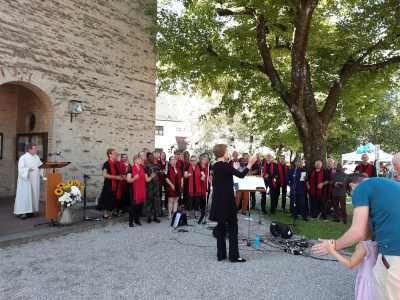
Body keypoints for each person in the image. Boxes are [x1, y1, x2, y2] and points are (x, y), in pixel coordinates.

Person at [312, 173, 400, 299]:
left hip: (395, 252)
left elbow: (358, 231)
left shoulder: (361, 188)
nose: (353, 197)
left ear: (352, 186)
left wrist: (333, 246)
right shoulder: (388, 183)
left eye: (350, 194)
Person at [209, 144, 256, 262]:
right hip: (227, 199)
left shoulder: (215, 166)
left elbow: (227, 176)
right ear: (223, 152)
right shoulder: (225, 165)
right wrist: (250, 164)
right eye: (226, 150)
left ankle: (221, 255)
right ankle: (234, 256)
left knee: (221, 227)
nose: (227, 152)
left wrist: (233, 169)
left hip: (219, 199)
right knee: (233, 226)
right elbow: (240, 175)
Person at [325, 219, 379, 300]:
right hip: (377, 281)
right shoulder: (379, 242)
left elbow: (350, 264)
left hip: (367, 285)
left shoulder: (364, 245)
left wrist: (331, 250)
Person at [14, 143, 44, 220]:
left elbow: (41, 166)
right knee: (25, 195)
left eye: (36, 148)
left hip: (35, 179)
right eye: (34, 148)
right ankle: (23, 212)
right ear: (29, 149)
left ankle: (31, 211)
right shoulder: (23, 158)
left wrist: (44, 167)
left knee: (33, 194)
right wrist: (28, 170)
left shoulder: (37, 157)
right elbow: (21, 169)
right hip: (26, 180)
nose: (36, 150)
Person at [126, 154, 156, 227]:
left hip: (141, 190)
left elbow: (147, 180)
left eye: (141, 159)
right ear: (135, 160)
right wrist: (134, 178)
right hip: (134, 190)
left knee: (140, 206)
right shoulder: (131, 169)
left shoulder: (143, 169)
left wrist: (151, 177)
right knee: (133, 206)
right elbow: (128, 180)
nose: (140, 160)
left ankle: (137, 220)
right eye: (138, 159)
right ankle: (130, 222)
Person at [97, 149, 123, 219]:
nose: (116, 154)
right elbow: (105, 175)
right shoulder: (107, 164)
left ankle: (115, 211)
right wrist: (115, 177)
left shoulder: (117, 163)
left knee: (116, 197)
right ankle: (105, 213)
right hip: (109, 184)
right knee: (107, 198)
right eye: (114, 153)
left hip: (117, 183)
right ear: (110, 155)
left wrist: (122, 176)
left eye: (116, 153)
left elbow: (118, 173)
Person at [143, 153, 162, 223]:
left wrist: (161, 173)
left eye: (153, 157)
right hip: (149, 187)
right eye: (151, 157)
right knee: (149, 201)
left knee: (156, 201)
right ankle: (149, 217)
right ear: (148, 159)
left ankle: (155, 216)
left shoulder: (157, 166)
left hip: (156, 187)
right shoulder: (145, 167)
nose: (152, 158)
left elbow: (160, 175)